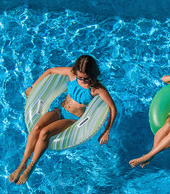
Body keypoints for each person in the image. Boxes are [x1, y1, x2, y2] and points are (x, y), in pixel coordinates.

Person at [9, 55, 117, 184]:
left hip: (72, 119)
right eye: (80, 77)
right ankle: (22, 164)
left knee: (45, 132)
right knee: (37, 127)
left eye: (86, 78)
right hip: (59, 110)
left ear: (92, 74)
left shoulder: (97, 89)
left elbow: (112, 108)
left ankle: (30, 167)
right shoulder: (71, 74)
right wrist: (33, 87)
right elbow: (50, 71)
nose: (82, 80)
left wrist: (107, 130)